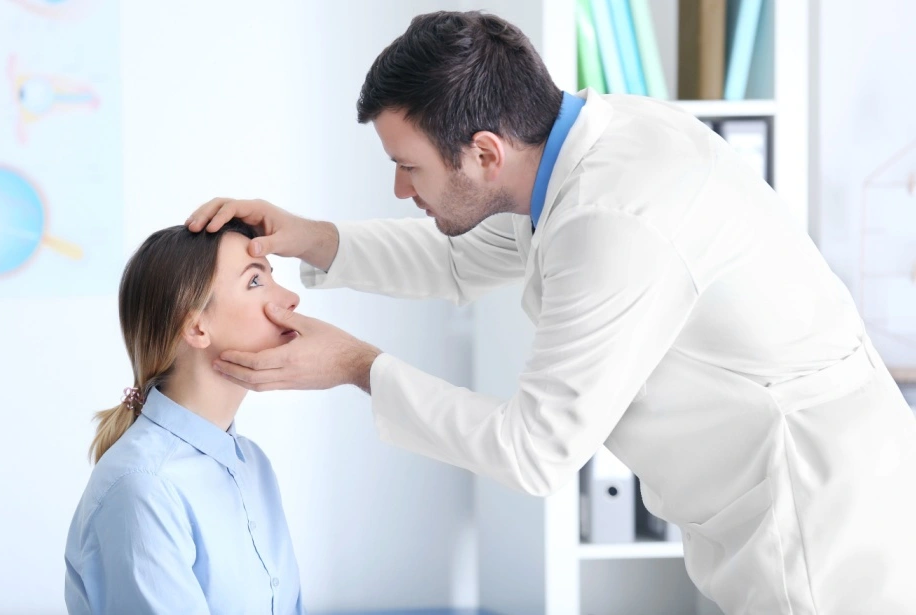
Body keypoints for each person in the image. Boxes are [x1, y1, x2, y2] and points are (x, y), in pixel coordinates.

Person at [186, 10, 916, 615]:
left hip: (818, 531)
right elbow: (460, 257)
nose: (403, 190)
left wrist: (356, 365)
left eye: (411, 167)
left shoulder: (617, 220)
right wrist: (310, 235)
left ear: (484, 151)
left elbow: (533, 450)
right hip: (792, 494)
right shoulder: (581, 146)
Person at [64, 220, 306, 615]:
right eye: (255, 282)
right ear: (195, 326)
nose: (291, 298)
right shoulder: (143, 488)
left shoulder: (253, 464)